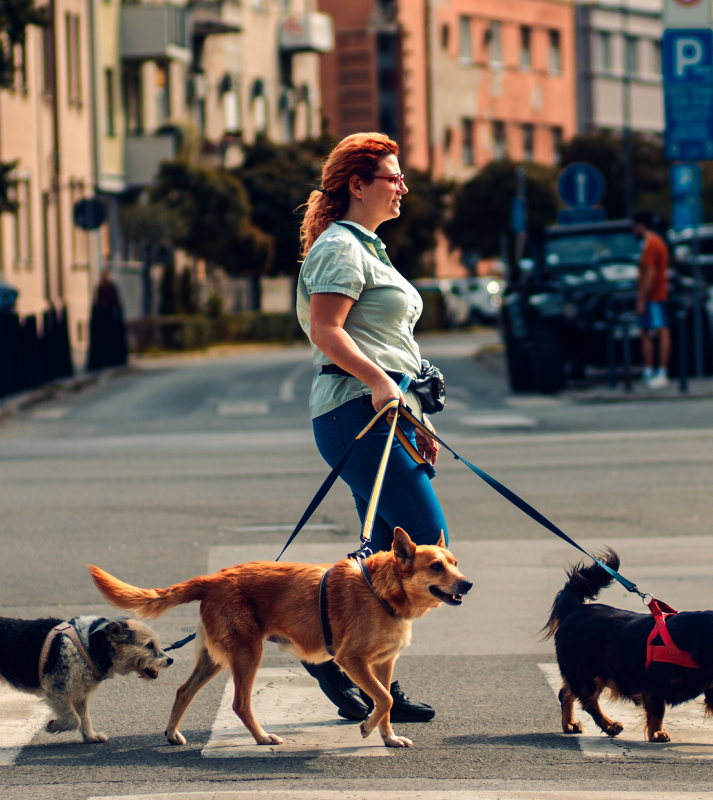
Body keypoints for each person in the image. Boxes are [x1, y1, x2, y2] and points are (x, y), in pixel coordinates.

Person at [292, 131, 440, 724]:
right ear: (358, 184)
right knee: (426, 539)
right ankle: (335, 651)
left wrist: (415, 391)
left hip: (385, 409)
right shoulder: (340, 248)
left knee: (383, 557)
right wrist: (382, 380)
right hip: (358, 409)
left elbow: (386, 336)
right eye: (392, 176)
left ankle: (357, 668)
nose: (402, 185)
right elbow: (328, 329)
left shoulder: (369, 248)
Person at [632, 211, 672, 389]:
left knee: (660, 331)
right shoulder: (655, 241)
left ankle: (661, 372)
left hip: (654, 296)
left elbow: (651, 273)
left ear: (640, 226)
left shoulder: (650, 243)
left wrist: (642, 297)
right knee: (646, 332)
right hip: (654, 296)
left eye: (634, 226)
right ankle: (650, 370)